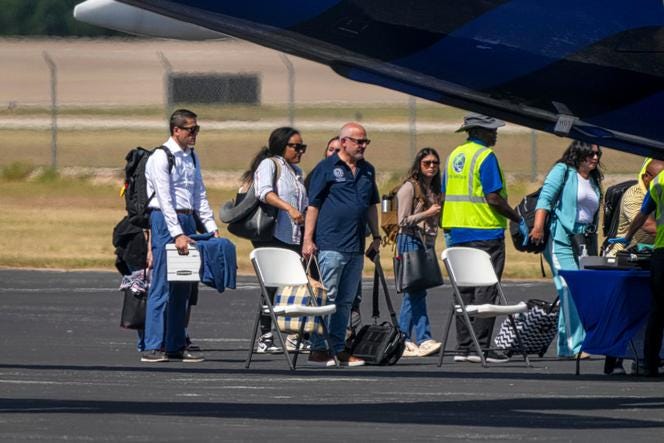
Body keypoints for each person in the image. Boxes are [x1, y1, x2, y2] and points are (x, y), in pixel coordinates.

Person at [440, 113, 524, 364]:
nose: (495, 133)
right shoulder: (486, 157)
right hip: (485, 232)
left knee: (463, 293)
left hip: (457, 233)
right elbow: (493, 198)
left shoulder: (455, 155)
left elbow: (445, 193)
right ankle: (482, 348)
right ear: (479, 132)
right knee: (485, 291)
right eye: (492, 130)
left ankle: (464, 347)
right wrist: (518, 218)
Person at [142, 108, 218, 363]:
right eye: (190, 129)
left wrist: (209, 226)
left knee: (183, 287)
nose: (195, 134)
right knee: (162, 285)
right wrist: (176, 234)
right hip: (166, 221)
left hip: (186, 219)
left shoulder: (191, 157)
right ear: (176, 130)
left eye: (197, 129)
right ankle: (153, 345)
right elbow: (164, 200)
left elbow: (199, 194)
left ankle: (175, 343)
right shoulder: (160, 157)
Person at [303, 122, 381, 367]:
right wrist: (308, 239)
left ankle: (337, 348)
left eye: (365, 142)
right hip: (330, 244)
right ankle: (318, 348)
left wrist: (376, 235)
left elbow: (370, 205)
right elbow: (313, 205)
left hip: (355, 245)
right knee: (328, 297)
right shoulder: (326, 168)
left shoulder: (367, 170)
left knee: (346, 301)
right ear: (344, 141)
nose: (363, 146)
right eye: (359, 141)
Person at [529, 141, 603, 358]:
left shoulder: (594, 179)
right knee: (569, 288)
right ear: (579, 152)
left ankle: (564, 345)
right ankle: (575, 345)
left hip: (583, 242)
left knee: (577, 291)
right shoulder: (563, 171)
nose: (596, 158)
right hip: (560, 239)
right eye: (591, 153)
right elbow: (545, 199)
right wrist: (538, 227)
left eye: (598, 154)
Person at [240, 127, 309, 354]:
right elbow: (264, 192)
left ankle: (294, 334)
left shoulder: (296, 171)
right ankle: (265, 337)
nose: (300, 151)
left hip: (293, 235)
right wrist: (289, 208)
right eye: (295, 146)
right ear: (282, 146)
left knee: (293, 284)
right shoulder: (270, 164)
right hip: (273, 233)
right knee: (271, 286)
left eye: (302, 147)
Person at [611, 168, 664, 377]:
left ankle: (649, 363)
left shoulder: (658, 181)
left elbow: (643, 213)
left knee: (658, 311)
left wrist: (628, 235)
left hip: (660, 252)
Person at [396, 148, 443, 357]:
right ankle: (422, 338)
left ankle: (402, 338)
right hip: (410, 239)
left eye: (435, 162)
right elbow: (402, 220)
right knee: (416, 291)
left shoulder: (433, 188)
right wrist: (428, 213)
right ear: (419, 164)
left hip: (426, 242)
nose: (431, 166)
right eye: (427, 163)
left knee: (415, 292)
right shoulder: (409, 188)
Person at [606, 160, 664, 257]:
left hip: (649, 253)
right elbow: (648, 226)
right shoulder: (634, 196)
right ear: (646, 177)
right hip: (624, 255)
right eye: (656, 179)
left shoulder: (659, 192)